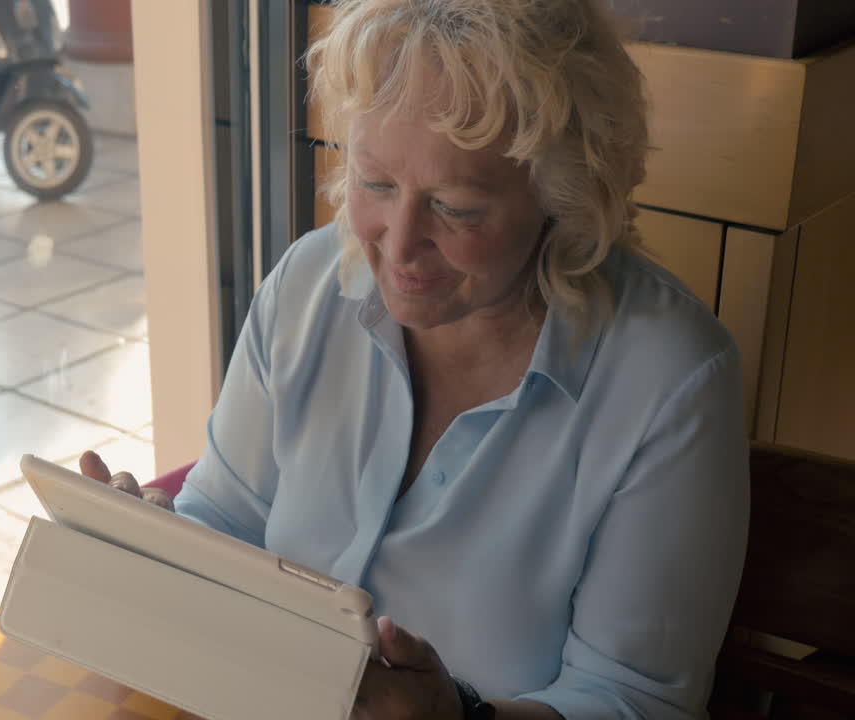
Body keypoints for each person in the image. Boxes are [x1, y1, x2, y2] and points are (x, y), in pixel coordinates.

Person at [82, 0, 749, 718]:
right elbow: (228, 517)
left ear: (562, 198)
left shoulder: (668, 382)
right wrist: (153, 546)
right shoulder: (310, 287)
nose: (397, 247)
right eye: (375, 183)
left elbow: (635, 699)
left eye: (456, 207)